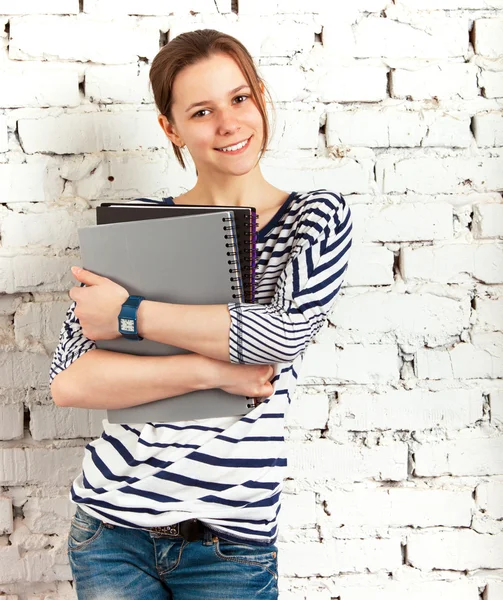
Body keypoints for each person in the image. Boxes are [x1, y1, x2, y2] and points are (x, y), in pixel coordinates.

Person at [49, 29, 353, 600]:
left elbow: (279, 339)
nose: (229, 123)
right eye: (201, 111)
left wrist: (129, 314)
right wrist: (215, 371)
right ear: (172, 129)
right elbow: (70, 382)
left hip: (232, 545)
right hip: (112, 533)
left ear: (260, 96)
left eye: (240, 99)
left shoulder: (316, 217)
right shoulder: (135, 226)